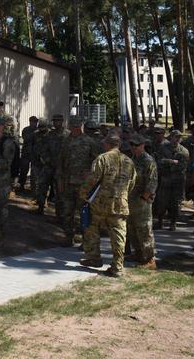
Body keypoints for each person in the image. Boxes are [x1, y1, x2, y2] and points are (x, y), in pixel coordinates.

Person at [79, 133, 136, 277]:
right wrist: (122, 195)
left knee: (91, 228)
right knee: (118, 234)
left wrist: (84, 194)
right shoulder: (129, 161)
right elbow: (132, 183)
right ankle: (117, 266)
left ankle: (94, 258)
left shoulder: (102, 158)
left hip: (100, 203)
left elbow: (92, 179)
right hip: (120, 204)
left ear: (107, 144)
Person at [56, 116, 101, 246]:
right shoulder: (66, 141)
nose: (75, 129)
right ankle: (68, 237)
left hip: (84, 185)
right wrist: (59, 179)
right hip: (67, 182)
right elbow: (60, 161)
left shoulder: (89, 142)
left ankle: (85, 240)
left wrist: (92, 176)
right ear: (70, 127)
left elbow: (97, 162)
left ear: (81, 126)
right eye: (73, 126)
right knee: (67, 212)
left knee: (84, 213)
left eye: (77, 126)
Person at [127, 133, 158, 268]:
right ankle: (138, 252)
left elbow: (152, 182)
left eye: (136, 145)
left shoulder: (148, 161)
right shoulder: (132, 159)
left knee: (144, 229)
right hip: (131, 199)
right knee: (132, 228)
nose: (133, 147)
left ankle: (150, 258)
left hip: (142, 200)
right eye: (132, 145)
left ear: (143, 145)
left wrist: (144, 197)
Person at [154, 129, 190, 231]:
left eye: (179, 137)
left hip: (178, 181)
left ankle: (173, 223)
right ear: (171, 137)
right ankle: (160, 221)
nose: (177, 139)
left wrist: (169, 164)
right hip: (165, 179)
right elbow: (158, 162)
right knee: (162, 201)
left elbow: (183, 166)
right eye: (175, 137)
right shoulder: (163, 148)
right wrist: (171, 161)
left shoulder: (184, 151)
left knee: (176, 203)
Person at [36, 114, 68, 215]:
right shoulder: (49, 135)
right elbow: (43, 149)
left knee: (59, 190)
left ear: (62, 121)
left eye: (58, 121)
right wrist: (47, 160)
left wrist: (62, 164)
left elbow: (71, 151)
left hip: (61, 168)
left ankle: (59, 214)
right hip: (49, 165)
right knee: (42, 185)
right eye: (54, 121)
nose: (56, 122)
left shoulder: (68, 135)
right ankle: (40, 207)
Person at [17, 115, 38, 193]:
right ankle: (21, 186)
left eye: (36, 122)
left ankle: (33, 188)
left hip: (34, 154)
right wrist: (34, 134)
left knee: (34, 172)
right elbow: (26, 138)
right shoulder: (26, 130)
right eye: (34, 122)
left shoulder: (38, 130)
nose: (35, 123)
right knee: (23, 170)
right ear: (30, 122)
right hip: (26, 153)